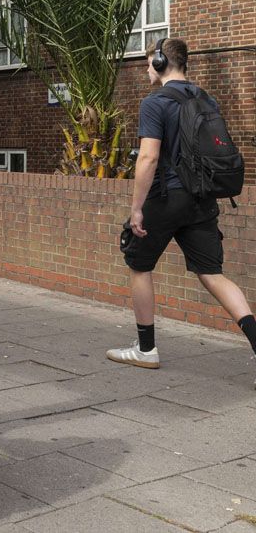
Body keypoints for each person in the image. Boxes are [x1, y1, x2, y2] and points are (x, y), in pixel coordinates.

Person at [108, 37, 256, 383]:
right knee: (212, 273)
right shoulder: (206, 98)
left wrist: (137, 209)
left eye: (148, 63)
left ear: (159, 63)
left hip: (165, 196)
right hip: (202, 199)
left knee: (139, 264)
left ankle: (146, 349)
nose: (147, 69)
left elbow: (148, 157)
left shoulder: (155, 102)